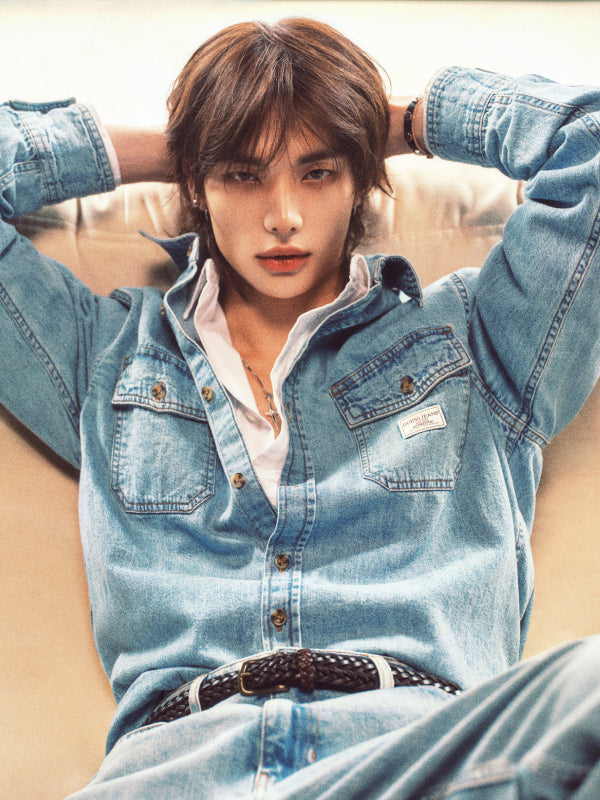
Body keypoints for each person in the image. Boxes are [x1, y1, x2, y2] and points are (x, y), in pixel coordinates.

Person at [1, 16, 599, 799]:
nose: (282, 214)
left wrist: (401, 125)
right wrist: (182, 144)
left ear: (359, 180)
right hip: (179, 770)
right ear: (198, 184)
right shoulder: (100, 351)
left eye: (318, 173)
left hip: (418, 758)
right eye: (243, 175)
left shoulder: (477, 337)